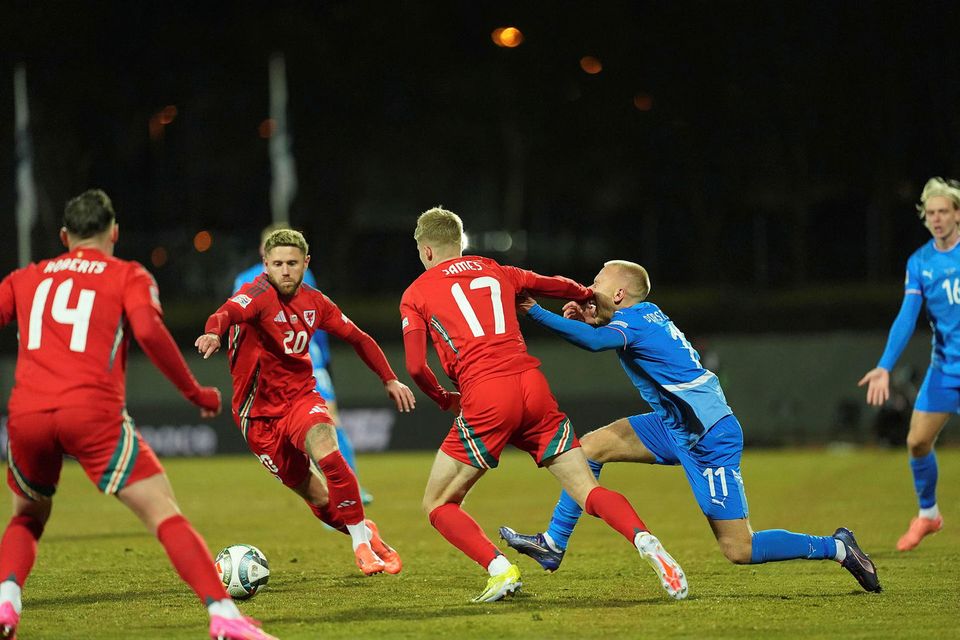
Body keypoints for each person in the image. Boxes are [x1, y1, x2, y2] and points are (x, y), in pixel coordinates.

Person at [500, 259, 882, 594]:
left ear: (618, 293)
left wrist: (534, 311)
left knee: (739, 549)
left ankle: (838, 547)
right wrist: (592, 319)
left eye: (597, 281)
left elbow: (597, 344)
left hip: (708, 436)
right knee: (589, 448)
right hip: (674, 424)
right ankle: (553, 542)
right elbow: (604, 336)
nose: (589, 287)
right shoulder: (640, 315)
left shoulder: (633, 321)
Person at [0, 190, 275, 640]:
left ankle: (7, 600)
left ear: (65, 236)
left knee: (27, 517)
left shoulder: (24, 278)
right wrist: (195, 392)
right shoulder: (127, 274)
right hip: (91, 411)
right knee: (163, 511)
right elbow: (148, 330)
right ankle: (224, 615)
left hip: (27, 414)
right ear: (114, 232)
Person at [400, 207, 688, 603]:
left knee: (437, 502)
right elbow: (555, 284)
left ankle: (500, 569)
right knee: (586, 490)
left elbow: (416, 366)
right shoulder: (496, 269)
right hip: (532, 387)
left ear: (426, 251)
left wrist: (444, 399)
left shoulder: (416, 292)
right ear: (461, 244)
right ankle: (648, 542)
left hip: (486, 394)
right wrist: (590, 297)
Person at [196, 229, 415, 576]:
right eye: (278, 263)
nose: (285, 270)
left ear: (305, 264)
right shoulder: (255, 295)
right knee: (320, 499)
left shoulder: (316, 302)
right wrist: (212, 331)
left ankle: (359, 544)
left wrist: (389, 378)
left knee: (327, 448)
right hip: (257, 418)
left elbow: (358, 338)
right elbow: (225, 313)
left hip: (301, 399)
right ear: (265, 264)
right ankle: (367, 532)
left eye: (292, 263)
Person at [234, 223, 372, 505]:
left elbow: (314, 317)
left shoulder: (303, 273)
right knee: (300, 428)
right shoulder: (246, 281)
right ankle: (332, 493)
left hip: (306, 358)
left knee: (328, 421)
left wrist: (322, 356)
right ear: (264, 251)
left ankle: (348, 490)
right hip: (273, 368)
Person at [859, 176, 960, 551]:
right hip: (945, 369)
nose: (936, 218)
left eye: (943, 212)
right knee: (917, 442)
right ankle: (929, 515)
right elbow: (907, 316)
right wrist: (884, 365)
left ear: (957, 214)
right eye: (930, 213)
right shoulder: (920, 262)